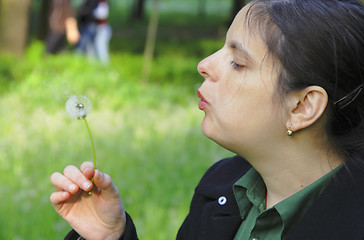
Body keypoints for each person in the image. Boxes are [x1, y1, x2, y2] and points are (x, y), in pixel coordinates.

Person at [50, 0, 364, 239]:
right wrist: (112, 235)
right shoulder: (220, 187)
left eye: (238, 63)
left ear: (302, 107)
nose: (204, 65)